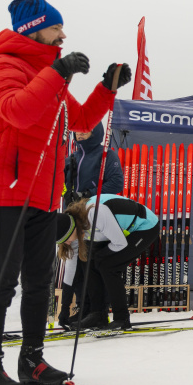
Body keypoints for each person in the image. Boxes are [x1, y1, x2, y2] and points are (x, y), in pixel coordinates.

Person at [0, 0, 131, 385]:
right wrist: (58, 72)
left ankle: (32, 361)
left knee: (41, 282)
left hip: (43, 196)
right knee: (3, 281)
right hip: (5, 192)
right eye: (56, 29)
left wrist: (106, 88)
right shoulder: (2, 67)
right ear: (35, 29)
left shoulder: (50, 74)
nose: (63, 36)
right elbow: (18, 111)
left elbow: (79, 121)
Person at [58, 195, 160, 330]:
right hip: (121, 231)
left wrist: (101, 255)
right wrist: (64, 307)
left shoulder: (95, 214)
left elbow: (120, 243)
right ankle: (97, 315)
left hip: (145, 226)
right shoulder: (75, 225)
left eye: (66, 239)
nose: (67, 243)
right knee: (88, 261)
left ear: (73, 229)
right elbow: (71, 267)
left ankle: (122, 318)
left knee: (108, 266)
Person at [58, 122, 124, 326]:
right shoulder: (72, 157)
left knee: (93, 265)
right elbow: (62, 187)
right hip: (75, 220)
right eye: (77, 130)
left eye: (85, 129)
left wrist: (88, 194)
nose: (80, 133)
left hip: (97, 217)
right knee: (78, 266)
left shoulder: (107, 155)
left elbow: (116, 183)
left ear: (96, 131)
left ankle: (99, 311)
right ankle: (84, 308)